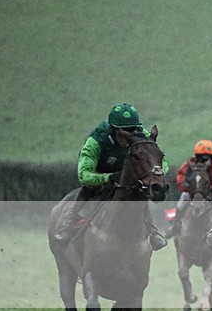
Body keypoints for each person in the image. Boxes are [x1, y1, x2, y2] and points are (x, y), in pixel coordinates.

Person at [54, 102, 168, 250]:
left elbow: (162, 162)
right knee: (87, 189)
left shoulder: (143, 136)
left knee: (140, 193)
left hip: (129, 180)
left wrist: (155, 174)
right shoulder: (96, 141)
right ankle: (68, 227)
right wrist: (107, 178)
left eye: (133, 130)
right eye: (125, 132)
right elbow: (84, 175)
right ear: (113, 130)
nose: (130, 136)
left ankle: (153, 232)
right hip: (101, 179)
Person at [165, 139, 212, 239]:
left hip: (211, 192)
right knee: (181, 203)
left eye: (206, 158)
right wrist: (189, 188)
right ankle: (175, 226)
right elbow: (180, 180)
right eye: (200, 158)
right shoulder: (188, 165)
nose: (203, 161)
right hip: (192, 192)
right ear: (196, 157)